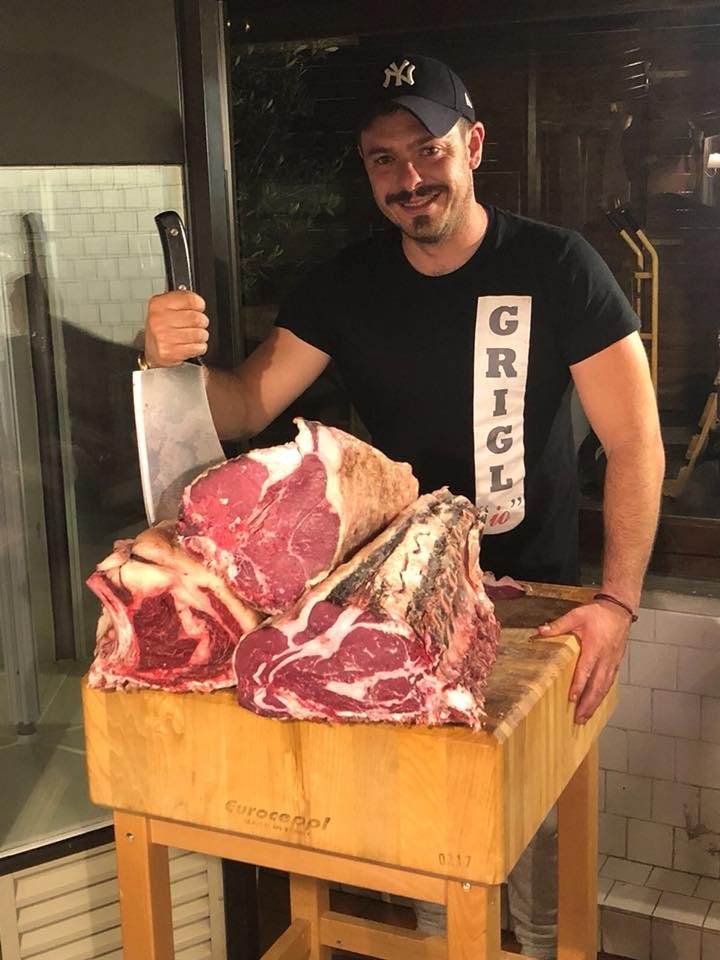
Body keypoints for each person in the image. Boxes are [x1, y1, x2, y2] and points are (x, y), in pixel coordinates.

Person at [143, 53, 665, 959]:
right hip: (397, 607)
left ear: (474, 146)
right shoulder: (344, 286)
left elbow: (636, 443)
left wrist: (616, 602)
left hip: (533, 604)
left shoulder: (557, 266)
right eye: (384, 158)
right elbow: (240, 407)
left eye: (428, 149)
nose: (409, 176)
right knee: (430, 843)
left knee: (537, 844)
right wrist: (165, 360)